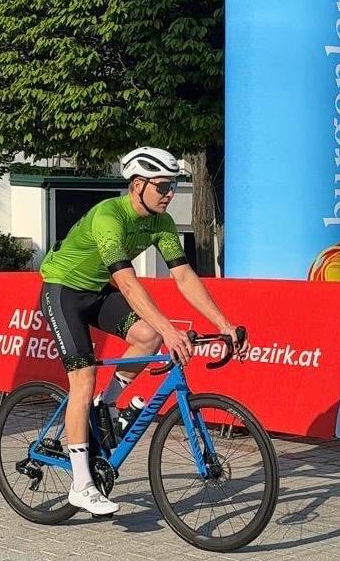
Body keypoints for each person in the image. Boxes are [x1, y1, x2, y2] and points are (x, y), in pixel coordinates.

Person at [40, 147, 247, 516]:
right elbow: (128, 283)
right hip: (63, 290)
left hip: (96, 291)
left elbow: (184, 276)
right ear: (138, 185)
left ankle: (107, 404)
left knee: (146, 337)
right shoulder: (109, 217)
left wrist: (224, 324)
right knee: (83, 380)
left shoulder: (161, 223)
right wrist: (170, 330)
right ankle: (81, 485)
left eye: (173, 186)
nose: (170, 194)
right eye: (163, 186)